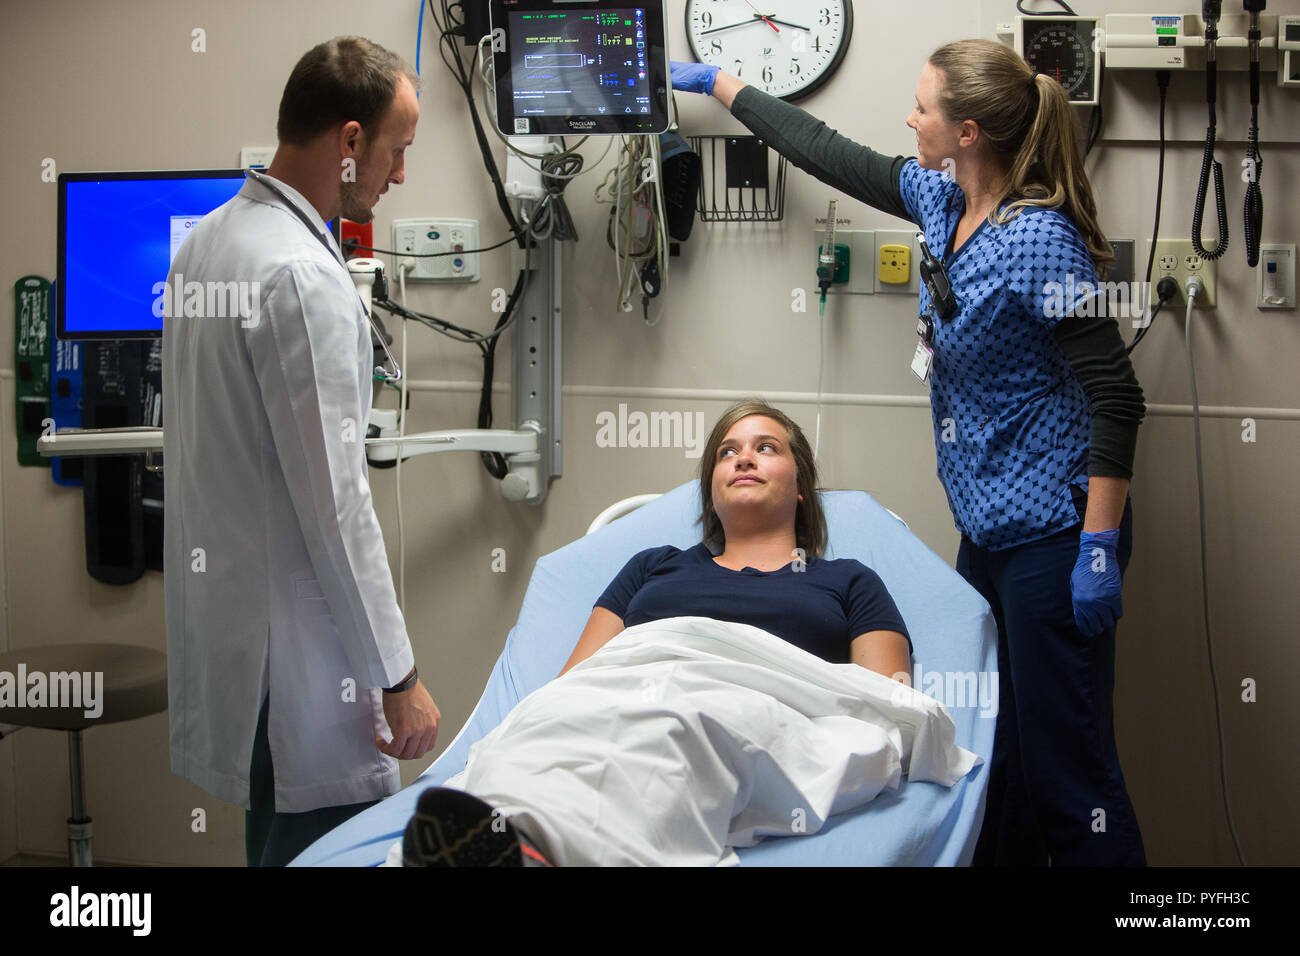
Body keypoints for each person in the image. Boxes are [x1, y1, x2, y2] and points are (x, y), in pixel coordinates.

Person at [671, 39, 1147, 866]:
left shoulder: (1041, 242)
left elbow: (1118, 394)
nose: (908, 118)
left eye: (922, 107)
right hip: (993, 530)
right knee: (996, 755)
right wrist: (724, 83)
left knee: (1070, 770)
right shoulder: (943, 201)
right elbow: (832, 154)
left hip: (1057, 535)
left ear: (967, 132)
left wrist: (1099, 544)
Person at [402, 401, 917, 866]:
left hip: (741, 716)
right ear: (710, 493)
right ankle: (510, 834)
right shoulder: (653, 567)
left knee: (680, 728)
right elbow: (577, 682)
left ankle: (539, 850)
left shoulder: (848, 581)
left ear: (801, 488)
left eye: (766, 448)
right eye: (726, 452)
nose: (743, 459)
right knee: (542, 734)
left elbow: (881, 709)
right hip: (626, 700)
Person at [162, 36, 440, 867]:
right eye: (396, 152)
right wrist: (397, 675)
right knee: (318, 850)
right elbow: (337, 506)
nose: (398, 176)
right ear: (350, 140)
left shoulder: (205, 248)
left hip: (243, 646)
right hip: (303, 668)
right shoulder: (299, 276)